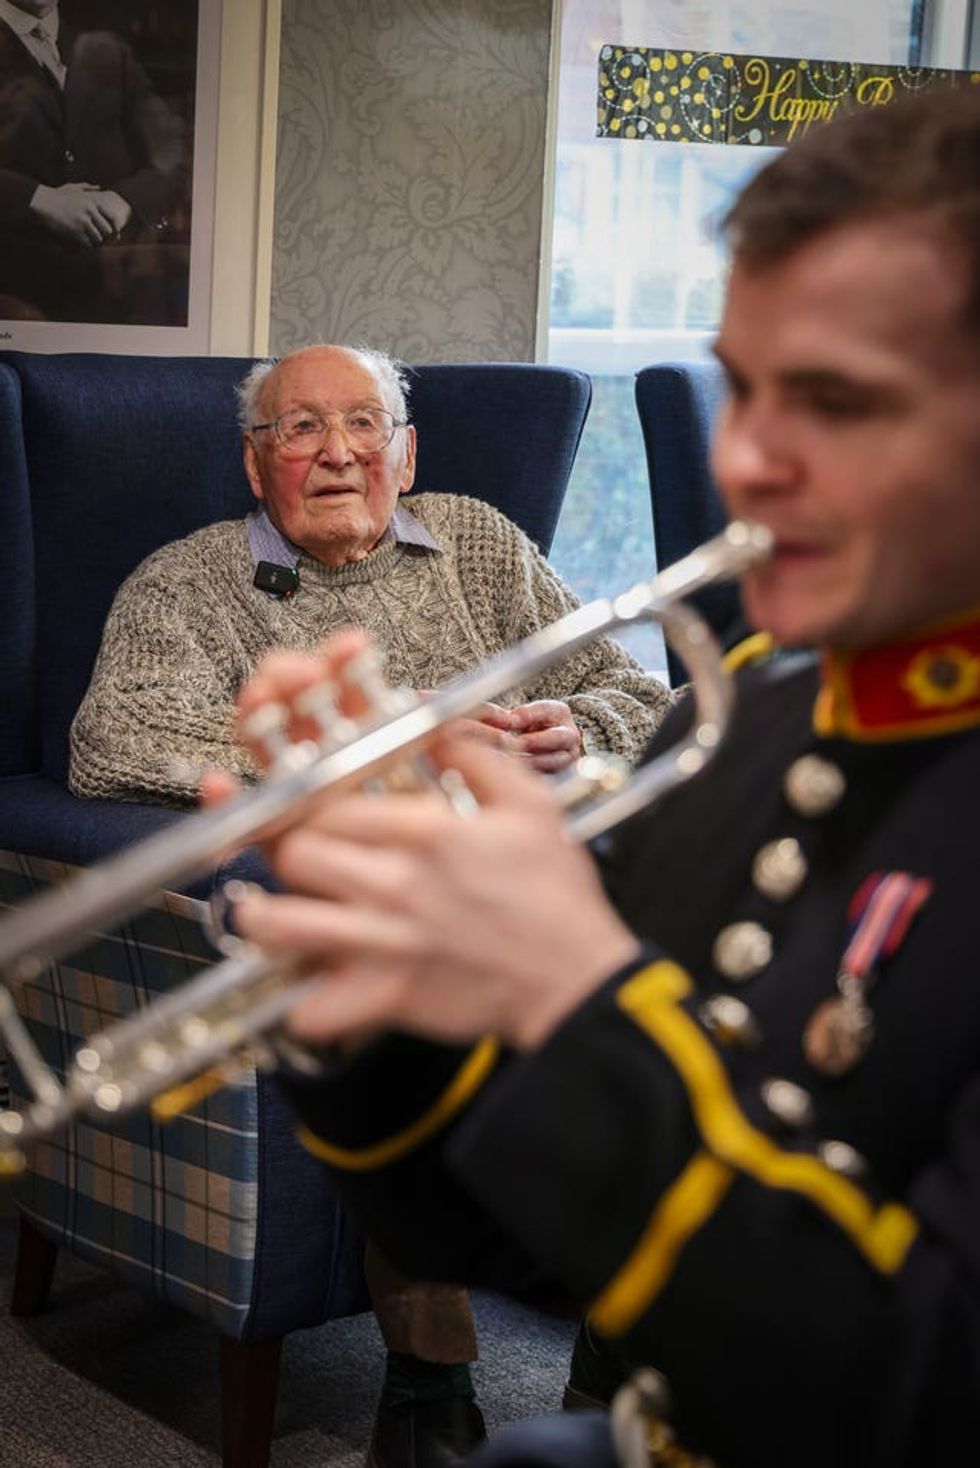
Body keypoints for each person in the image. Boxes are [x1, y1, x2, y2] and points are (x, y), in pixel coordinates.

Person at [219, 85, 980, 1468]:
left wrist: (575, 989)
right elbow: (506, 1236)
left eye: (838, 400)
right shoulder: (767, 726)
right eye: (743, 386)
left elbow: (914, 1392)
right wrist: (369, 1000)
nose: (743, 459)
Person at [68, 340, 674, 1468]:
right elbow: (114, 740)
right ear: (257, 465)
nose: (336, 451)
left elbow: (636, 686)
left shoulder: (480, 543)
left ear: (405, 452)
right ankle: (432, 1372)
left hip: (554, 859)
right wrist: (348, 765)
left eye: (362, 425)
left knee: (681, 943)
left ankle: (618, 1336)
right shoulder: (188, 580)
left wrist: (574, 728)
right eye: (299, 428)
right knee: (413, 958)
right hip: (402, 890)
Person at [0, 0, 188, 324]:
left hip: (110, 298)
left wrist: (123, 201)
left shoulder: (107, 50)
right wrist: (39, 200)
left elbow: (171, 154)